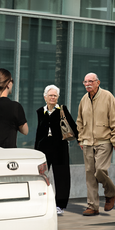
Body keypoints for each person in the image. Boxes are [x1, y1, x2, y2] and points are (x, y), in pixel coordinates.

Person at [76, 72, 115, 216]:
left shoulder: (108, 97)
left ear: (98, 82)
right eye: (85, 82)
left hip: (104, 141)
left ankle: (111, 192)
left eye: (90, 81)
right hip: (88, 142)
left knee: (100, 170)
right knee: (90, 175)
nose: (87, 84)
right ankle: (93, 206)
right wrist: (81, 138)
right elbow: (79, 121)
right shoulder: (84, 99)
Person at [35, 84, 78, 214]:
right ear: (45, 97)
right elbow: (39, 132)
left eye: (55, 95)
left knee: (62, 176)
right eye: (50, 95)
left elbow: (73, 126)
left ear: (58, 97)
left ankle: (60, 205)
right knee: (41, 176)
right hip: (44, 148)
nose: (53, 97)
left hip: (60, 147)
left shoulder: (62, 110)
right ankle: (41, 203)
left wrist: (80, 141)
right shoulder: (40, 111)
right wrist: (36, 149)